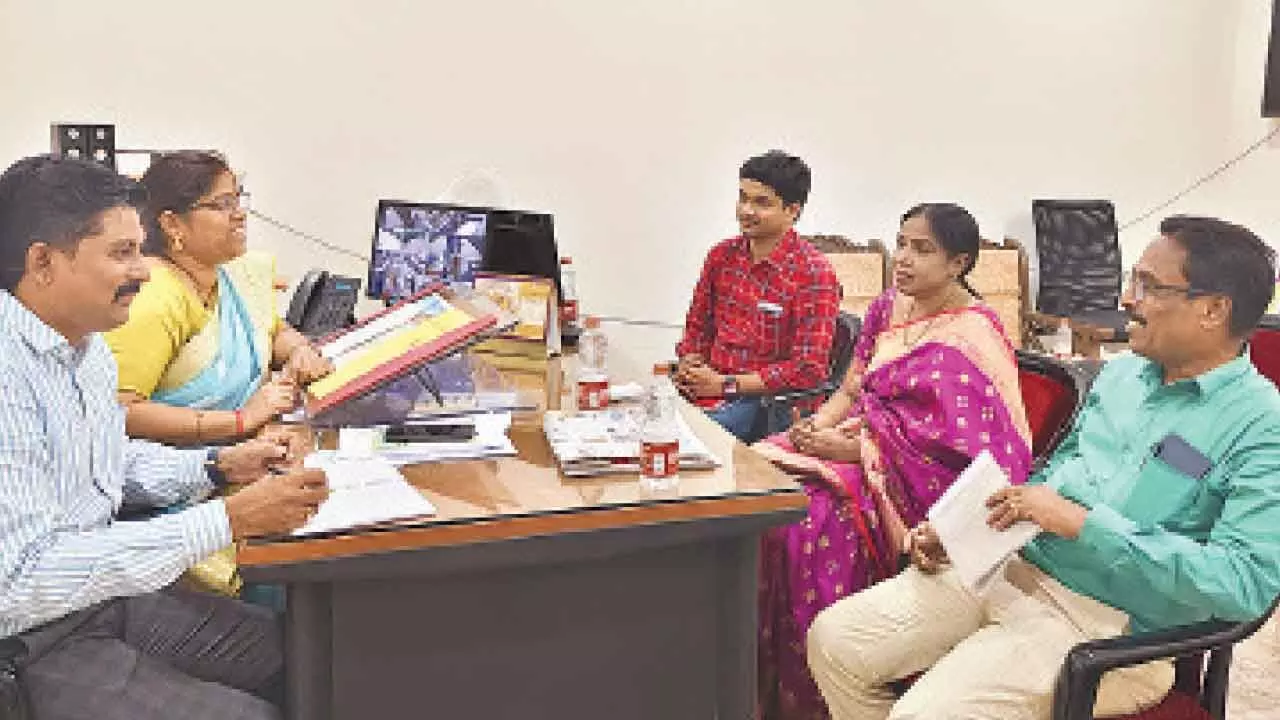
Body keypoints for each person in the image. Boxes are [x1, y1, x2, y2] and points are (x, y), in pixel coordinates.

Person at [806, 215, 1280, 720]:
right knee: (835, 642)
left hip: (1106, 623)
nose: (1125, 300)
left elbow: (1245, 585)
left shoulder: (1259, 424)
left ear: (1212, 310)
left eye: (1149, 286)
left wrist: (1083, 525)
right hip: (1012, 566)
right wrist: (966, 530)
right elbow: (1058, 474)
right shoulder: (1121, 378)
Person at [0, 154, 329, 719]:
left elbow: (107, 463)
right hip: (30, 637)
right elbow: (23, 580)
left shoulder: (87, 348)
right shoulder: (8, 373)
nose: (145, 271)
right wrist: (228, 519)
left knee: (311, 658)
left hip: (97, 601)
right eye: (122, 253)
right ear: (43, 262)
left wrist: (218, 466)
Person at [752, 204, 1033, 720]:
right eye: (901, 243)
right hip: (862, 441)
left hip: (919, 481)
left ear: (959, 263)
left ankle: (814, 694)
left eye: (922, 249)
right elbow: (852, 387)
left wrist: (860, 448)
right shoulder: (886, 307)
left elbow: (980, 451)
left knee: (803, 521)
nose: (903, 259)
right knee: (758, 476)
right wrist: (820, 427)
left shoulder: (975, 333)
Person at [104, 150, 332, 449]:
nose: (239, 214)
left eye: (239, 200)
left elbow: (272, 331)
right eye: (223, 204)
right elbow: (120, 412)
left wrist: (300, 351)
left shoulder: (230, 275)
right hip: (176, 479)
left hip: (245, 456)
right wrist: (241, 420)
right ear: (172, 224)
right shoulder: (153, 294)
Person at [675, 150, 841, 443]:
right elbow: (698, 328)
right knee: (639, 421)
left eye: (761, 202)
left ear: (793, 210)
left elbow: (808, 369)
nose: (746, 210)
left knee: (687, 439)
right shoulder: (721, 256)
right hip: (709, 388)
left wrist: (725, 385)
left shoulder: (814, 273)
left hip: (766, 403)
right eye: (743, 198)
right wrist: (691, 362)